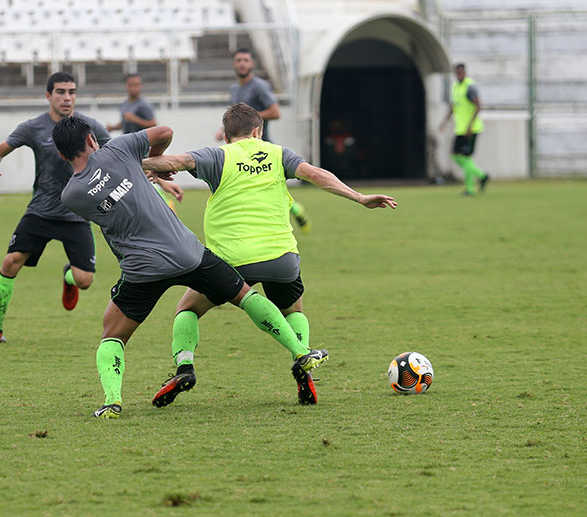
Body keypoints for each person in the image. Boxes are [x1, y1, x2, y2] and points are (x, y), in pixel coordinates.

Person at [52, 116, 328, 418]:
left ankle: (112, 401)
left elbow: (107, 195)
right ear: (92, 139)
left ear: (63, 154)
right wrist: (152, 162)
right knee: (246, 296)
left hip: (142, 269)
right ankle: (302, 353)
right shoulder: (119, 148)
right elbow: (165, 132)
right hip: (187, 253)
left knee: (113, 335)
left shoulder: (71, 195)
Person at [143, 103, 397, 407]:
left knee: (187, 308)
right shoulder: (279, 154)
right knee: (294, 311)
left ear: (225, 136)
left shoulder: (217, 155)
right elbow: (316, 175)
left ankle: (184, 368)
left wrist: (140, 163)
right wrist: (359, 197)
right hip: (281, 257)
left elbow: (177, 160)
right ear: (257, 131)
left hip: (231, 259)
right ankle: (303, 363)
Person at [0, 72, 110, 346]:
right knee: (10, 262)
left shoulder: (90, 127)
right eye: (60, 92)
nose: (67, 97)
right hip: (41, 211)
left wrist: (155, 177)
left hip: (77, 212)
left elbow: (119, 154)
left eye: (71, 92)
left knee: (85, 280)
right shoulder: (34, 127)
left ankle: (68, 277)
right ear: (48, 95)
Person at [214, 47, 311, 232]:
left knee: (263, 186)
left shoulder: (259, 86)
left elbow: (275, 112)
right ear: (234, 64)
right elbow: (236, 118)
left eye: (246, 60)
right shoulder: (234, 89)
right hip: (242, 148)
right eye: (239, 60)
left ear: (252, 64)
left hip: (261, 146)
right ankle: (292, 209)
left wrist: (251, 119)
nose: (242, 63)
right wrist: (223, 129)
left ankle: (287, 213)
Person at [105, 73, 181, 210]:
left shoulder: (144, 105)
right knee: (129, 182)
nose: (135, 88)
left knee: (140, 182)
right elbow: (125, 123)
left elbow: (154, 125)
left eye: (137, 84)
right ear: (126, 86)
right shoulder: (124, 104)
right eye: (131, 85)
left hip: (141, 150)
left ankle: (165, 205)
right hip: (126, 149)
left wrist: (134, 119)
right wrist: (113, 127)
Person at [439, 63, 490, 196]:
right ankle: (482, 176)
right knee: (455, 156)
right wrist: (444, 121)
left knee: (466, 158)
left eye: (461, 72)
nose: (459, 74)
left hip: (471, 129)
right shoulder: (455, 87)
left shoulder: (470, 87)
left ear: (465, 72)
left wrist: (470, 125)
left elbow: (478, 106)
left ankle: (470, 189)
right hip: (460, 129)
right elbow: (453, 107)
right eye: (457, 72)